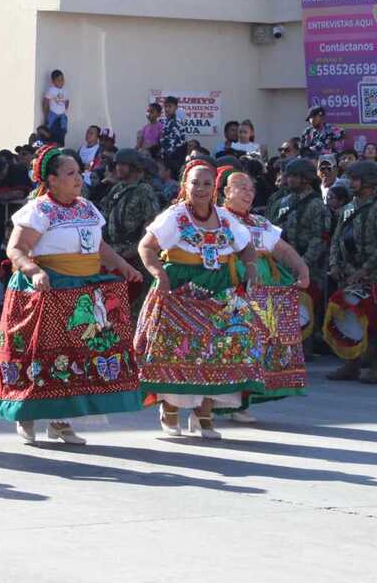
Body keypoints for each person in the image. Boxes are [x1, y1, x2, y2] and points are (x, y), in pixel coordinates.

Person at [0, 146, 143, 445]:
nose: (78, 179)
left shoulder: (88, 208)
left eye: (79, 172)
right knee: (40, 354)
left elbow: (99, 247)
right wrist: (34, 271)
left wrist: (124, 266)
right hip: (49, 290)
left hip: (83, 292)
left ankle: (61, 421)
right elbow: (16, 249)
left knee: (76, 358)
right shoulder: (39, 210)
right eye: (70, 173)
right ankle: (26, 414)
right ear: (51, 180)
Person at [135, 160, 265, 440]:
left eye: (207, 183)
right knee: (176, 350)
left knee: (219, 349)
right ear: (185, 185)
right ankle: (170, 409)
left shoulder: (225, 217)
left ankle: (203, 414)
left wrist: (251, 268)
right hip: (180, 288)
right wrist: (159, 273)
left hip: (219, 287)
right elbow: (146, 246)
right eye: (195, 182)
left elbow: (247, 249)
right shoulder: (175, 215)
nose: (201, 188)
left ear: (215, 188)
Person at [216, 169, 310, 421]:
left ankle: (241, 402)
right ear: (226, 192)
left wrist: (302, 268)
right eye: (242, 188)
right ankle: (208, 406)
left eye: (251, 189)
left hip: (263, 296)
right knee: (228, 345)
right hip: (231, 289)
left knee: (256, 348)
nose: (248, 193)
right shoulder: (216, 218)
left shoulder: (259, 222)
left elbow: (282, 249)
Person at [270, 158, 331, 358]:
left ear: (306, 179)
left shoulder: (316, 206)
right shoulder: (283, 202)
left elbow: (319, 238)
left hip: (308, 266)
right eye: (288, 175)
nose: (289, 179)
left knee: (305, 308)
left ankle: (305, 349)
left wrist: (302, 263)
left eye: (294, 176)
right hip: (281, 265)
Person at [323, 160, 377, 383]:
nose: (351, 182)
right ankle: (351, 364)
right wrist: (335, 264)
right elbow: (335, 240)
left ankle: (374, 365)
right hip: (348, 273)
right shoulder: (347, 209)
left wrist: (364, 270)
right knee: (349, 318)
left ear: (369, 181)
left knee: (373, 321)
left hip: (371, 274)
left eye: (356, 179)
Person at [98, 148, 160, 310]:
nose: (119, 168)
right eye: (118, 164)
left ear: (135, 167)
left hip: (133, 254)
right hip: (113, 252)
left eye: (124, 165)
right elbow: (104, 217)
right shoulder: (117, 189)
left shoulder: (144, 191)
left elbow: (150, 223)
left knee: (133, 304)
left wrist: (136, 250)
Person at [158, 96, 187, 177]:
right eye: (165, 107)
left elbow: (174, 144)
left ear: (176, 108)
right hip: (168, 156)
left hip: (175, 157)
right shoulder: (167, 121)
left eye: (170, 106)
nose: (167, 109)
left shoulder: (176, 122)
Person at [40, 70, 69, 147]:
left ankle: (60, 145)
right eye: (58, 80)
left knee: (63, 130)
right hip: (53, 113)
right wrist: (46, 115)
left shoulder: (65, 91)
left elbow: (67, 101)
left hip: (62, 114)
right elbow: (45, 102)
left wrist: (64, 110)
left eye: (62, 79)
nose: (61, 81)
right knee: (49, 129)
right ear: (53, 81)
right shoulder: (51, 90)